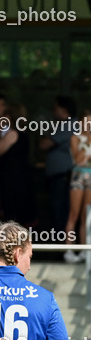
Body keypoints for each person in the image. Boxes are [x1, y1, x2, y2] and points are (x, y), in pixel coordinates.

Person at [40, 96, 76, 244]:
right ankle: (63, 246)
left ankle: (64, 247)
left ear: (64, 109)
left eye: (55, 108)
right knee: (59, 212)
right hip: (59, 178)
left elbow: (44, 144)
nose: (53, 112)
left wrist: (45, 134)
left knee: (61, 212)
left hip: (64, 178)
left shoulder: (69, 125)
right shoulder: (62, 125)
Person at [0, 104, 35, 226]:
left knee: (11, 214)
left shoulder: (13, 134)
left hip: (12, 180)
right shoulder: (25, 133)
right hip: (22, 179)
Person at [64, 109, 91, 263]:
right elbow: (78, 159)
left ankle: (84, 250)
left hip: (90, 175)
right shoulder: (75, 138)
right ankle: (69, 250)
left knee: (86, 215)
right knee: (74, 213)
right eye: (87, 122)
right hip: (78, 176)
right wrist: (87, 140)